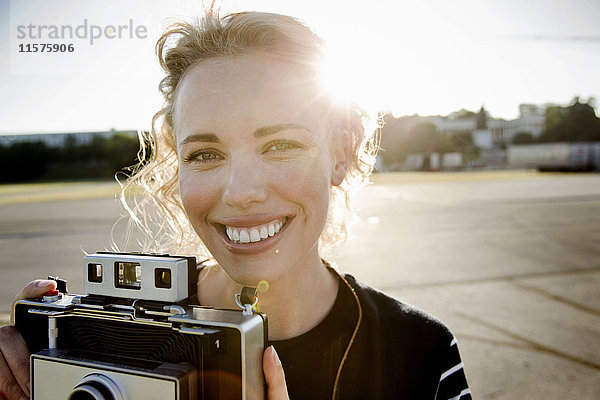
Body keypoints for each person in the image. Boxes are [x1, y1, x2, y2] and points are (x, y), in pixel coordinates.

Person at [0, 10, 471, 400]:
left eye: (281, 144)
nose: (241, 191)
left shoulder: (420, 353)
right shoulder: (99, 339)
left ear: (341, 154)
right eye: (205, 154)